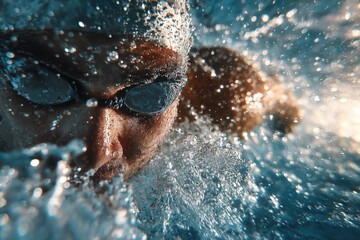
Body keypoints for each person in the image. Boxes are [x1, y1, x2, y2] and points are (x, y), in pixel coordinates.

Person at [0, 0, 300, 183]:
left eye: (149, 94)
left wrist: (286, 110)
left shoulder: (222, 96)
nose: (96, 154)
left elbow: (282, 101)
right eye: (40, 82)